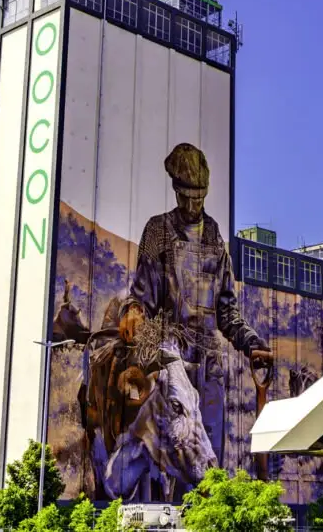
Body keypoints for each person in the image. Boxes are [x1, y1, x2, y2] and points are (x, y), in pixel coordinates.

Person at [119, 142, 274, 477]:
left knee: (209, 464)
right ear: (175, 189)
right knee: (172, 460)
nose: (193, 203)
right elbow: (142, 296)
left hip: (211, 370)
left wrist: (252, 343)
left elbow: (227, 312)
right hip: (172, 363)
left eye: (199, 196)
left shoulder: (216, 238)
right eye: (187, 195)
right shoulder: (157, 230)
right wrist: (132, 310)